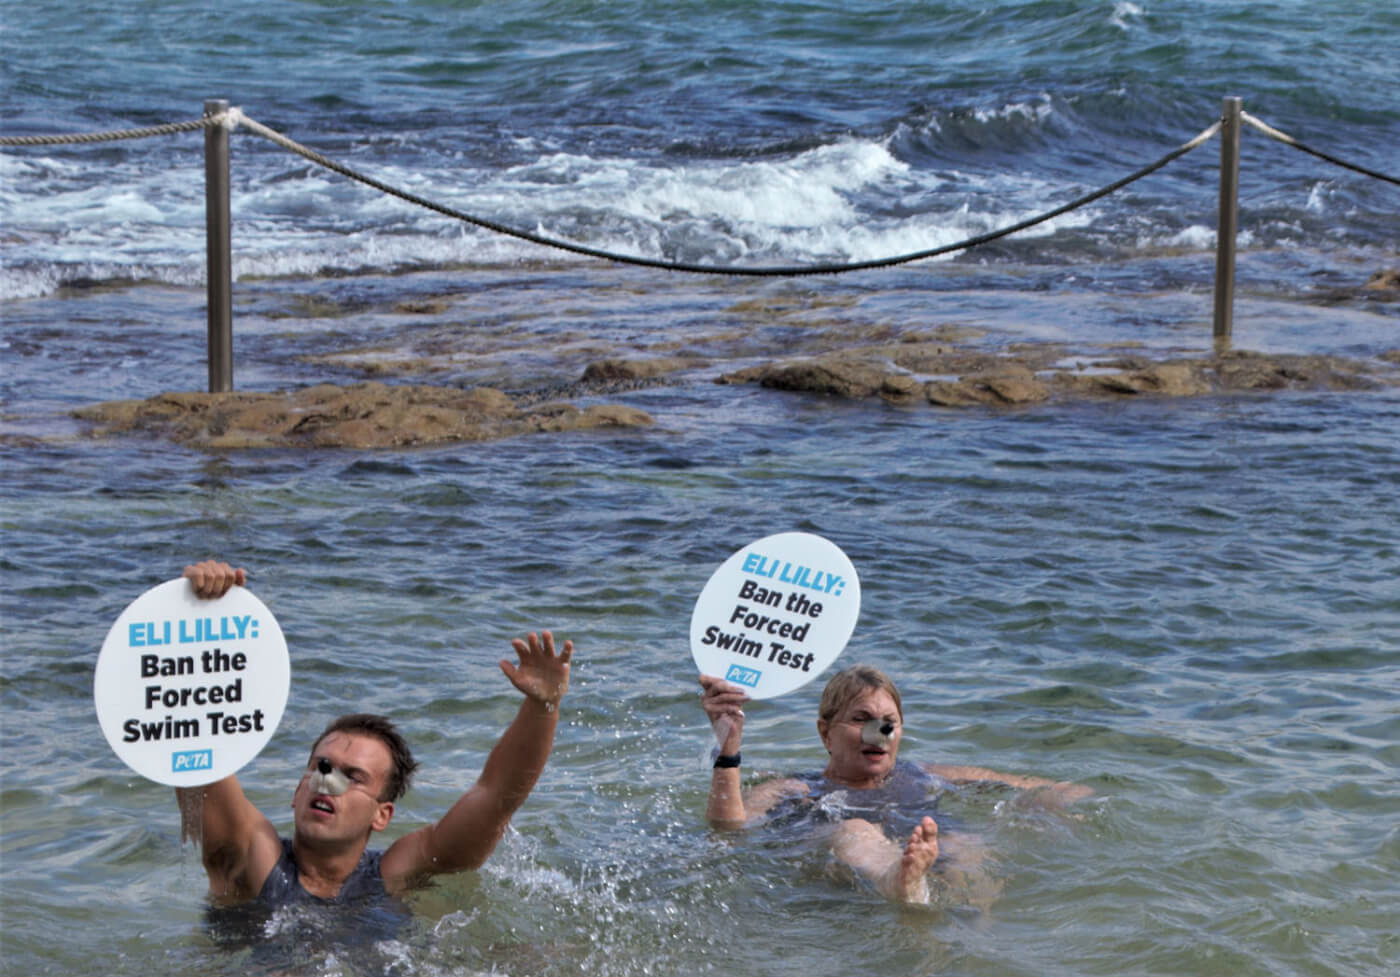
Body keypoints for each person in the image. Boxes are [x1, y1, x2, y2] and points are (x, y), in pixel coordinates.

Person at [175, 559, 574, 915]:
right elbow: (198, 752)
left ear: (382, 815)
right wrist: (203, 615)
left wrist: (543, 709)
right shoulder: (253, 860)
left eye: (354, 776)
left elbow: (495, 796)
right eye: (321, 766)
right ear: (297, 791)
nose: (327, 781)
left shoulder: (397, 875)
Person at [698, 665, 1091, 904]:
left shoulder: (923, 774)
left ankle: (970, 931)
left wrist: (1049, 802)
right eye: (861, 719)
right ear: (825, 733)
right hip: (842, 871)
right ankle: (900, 881)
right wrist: (728, 747)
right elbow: (729, 827)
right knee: (856, 830)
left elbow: (1043, 786)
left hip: (923, 858)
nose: (879, 732)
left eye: (889, 722)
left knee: (964, 844)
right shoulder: (796, 789)